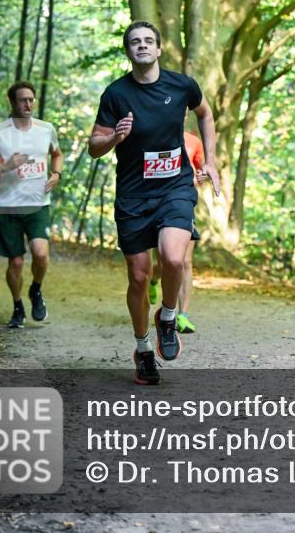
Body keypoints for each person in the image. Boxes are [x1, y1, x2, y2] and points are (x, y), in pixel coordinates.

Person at [88, 21, 220, 385]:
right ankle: (143, 348)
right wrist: (115, 136)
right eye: (135, 42)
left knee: (175, 257)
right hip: (133, 195)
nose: (142, 46)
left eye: (148, 41)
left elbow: (205, 114)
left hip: (175, 186)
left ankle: (168, 316)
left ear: (159, 49)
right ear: (128, 51)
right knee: (139, 276)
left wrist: (210, 160)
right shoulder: (115, 94)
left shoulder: (182, 86)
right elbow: (93, 147)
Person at [0, 81, 63, 328]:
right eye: (22, 100)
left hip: (38, 203)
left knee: (41, 254)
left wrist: (56, 174)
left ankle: (36, 290)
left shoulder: (46, 129)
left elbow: (57, 154)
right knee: (15, 262)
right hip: (8, 205)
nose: (28, 104)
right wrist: (6, 166)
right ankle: (18, 307)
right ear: (13, 102)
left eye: (31, 100)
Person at [148, 120, 205, 333]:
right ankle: (154, 280)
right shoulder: (153, 134)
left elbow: (202, 170)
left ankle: (182, 315)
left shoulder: (194, 142)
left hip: (183, 206)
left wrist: (202, 176)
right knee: (166, 262)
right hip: (157, 205)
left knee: (185, 262)